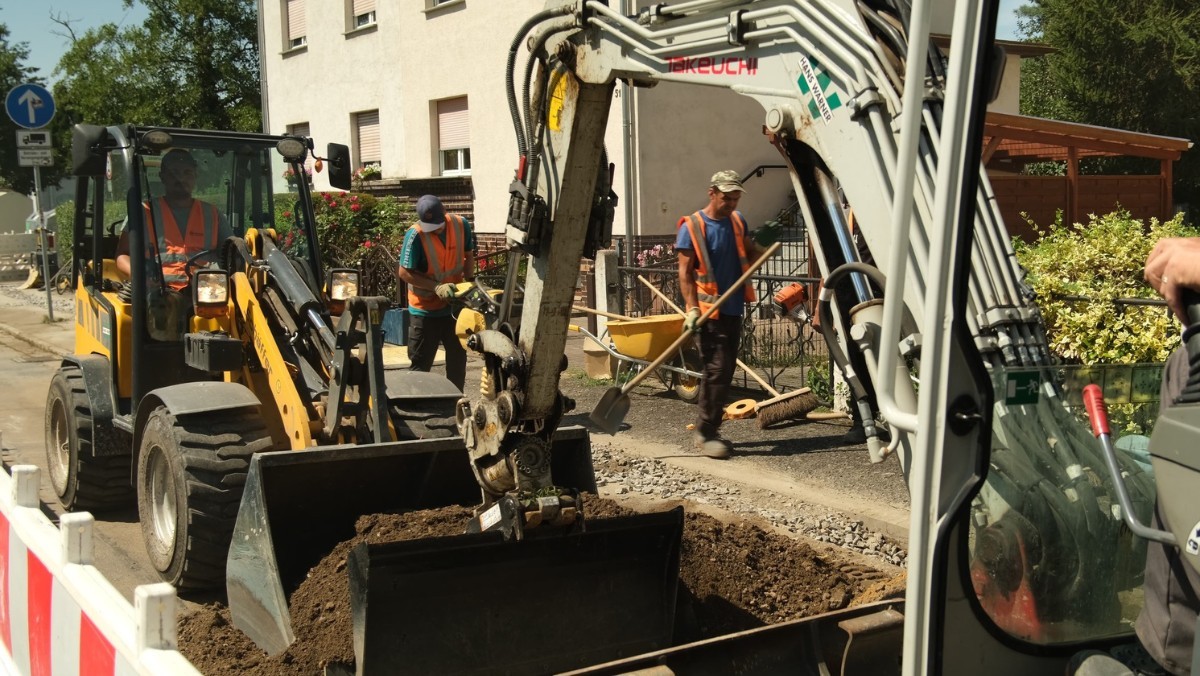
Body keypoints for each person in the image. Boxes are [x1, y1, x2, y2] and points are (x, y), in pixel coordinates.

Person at [676, 170, 769, 459]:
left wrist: (764, 246)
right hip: (707, 313)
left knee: (725, 369)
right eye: (726, 198)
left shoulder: (738, 222)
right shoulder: (692, 226)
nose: (731, 203)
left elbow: (750, 254)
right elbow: (685, 273)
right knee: (717, 369)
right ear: (712, 192)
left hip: (732, 307)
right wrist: (691, 308)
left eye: (735, 198)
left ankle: (709, 429)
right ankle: (705, 431)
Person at [114, 149, 231, 340]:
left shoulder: (212, 214)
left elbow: (230, 252)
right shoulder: (144, 212)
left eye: (186, 173)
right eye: (174, 173)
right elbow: (122, 255)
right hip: (158, 295)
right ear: (163, 177)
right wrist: (141, 276)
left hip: (205, 295)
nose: (180, 178)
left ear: (195, 176)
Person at [396, 194, 476, 392]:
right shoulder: (415, 235)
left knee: (458, 362)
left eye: (438, 225)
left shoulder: (460, 225)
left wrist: (471, 282)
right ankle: (418, 406)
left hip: (454, 307)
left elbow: (468, 256)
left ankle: (455, 402)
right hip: (425, 312)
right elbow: (404, 272)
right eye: (430, 226)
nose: (435, 230)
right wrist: (436, 287)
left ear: (445, 213)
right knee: (420, 366)